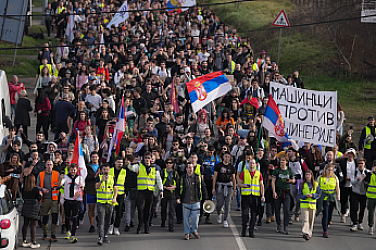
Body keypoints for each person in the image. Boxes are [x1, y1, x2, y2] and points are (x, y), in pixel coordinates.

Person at [127, 151, 163, 234]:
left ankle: (146, 225)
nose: (147, 159)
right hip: (141, 191)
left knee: (148, 210)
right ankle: (140, 225)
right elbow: (130, 167)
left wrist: (161, 190)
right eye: (146, 158)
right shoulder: (139, 166)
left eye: (148, 158)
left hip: (150, 191)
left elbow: (158, 180)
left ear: (151, 159)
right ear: (143, 158)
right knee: (140, 209)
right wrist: (133, 162)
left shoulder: (154, 168)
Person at [176, 161, 208, 240]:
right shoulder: (182, 178)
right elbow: (177, 189)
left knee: (195, 218)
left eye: (192, 168)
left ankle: (194, 230)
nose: (191, 169)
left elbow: (203, 187)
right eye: (189, 168)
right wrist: (178, 198)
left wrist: (205, 198)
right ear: (186, 169)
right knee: (186, 219)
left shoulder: (198, 178)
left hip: (196, 201)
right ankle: (187, 233)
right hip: (185, 201)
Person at [238, 158, 265, 237]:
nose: (252, 165)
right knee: (245, 214)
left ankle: (251, 232)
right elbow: (239, 184)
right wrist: (244, 185)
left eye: (253, 163)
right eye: (250, 163)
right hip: (246, 196)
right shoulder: (244, 173)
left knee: (254, 215)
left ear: (255, 165)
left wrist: (262, 195)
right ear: (248, 164)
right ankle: (243, 231)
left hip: (255, 197)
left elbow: (261, 185)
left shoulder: (258, 174)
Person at [37, 159, 61, 242]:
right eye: (48, 164)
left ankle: (53, 234)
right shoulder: (41, 174)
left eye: (50, 164)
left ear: (53, 165)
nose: (49, 166)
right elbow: (37, 186)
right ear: (45, 165)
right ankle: (45, 233)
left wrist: (57, 188)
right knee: (45, 217)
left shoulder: (56, 174)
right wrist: (42, 189)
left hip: (54, 199)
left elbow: (60, 185)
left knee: (54, 216)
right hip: (45, 198)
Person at [272, 155, 295, 234]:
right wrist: (274, 191)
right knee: (277, 209)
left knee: (286, 209)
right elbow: (273, 181)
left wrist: (290, 181)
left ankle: (286, 226)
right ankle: (279, 224)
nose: (282, 162)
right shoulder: (277, 170)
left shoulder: (289, 170)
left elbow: (294, 179)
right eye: (281, 160)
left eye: (283, 160)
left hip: (286, 192)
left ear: (286, 162)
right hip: (278, 191)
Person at [212, 151, 236, 228]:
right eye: (226, 156)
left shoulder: (231, 167)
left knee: (227, 204)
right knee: (219, 203)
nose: (227, 158)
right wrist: (213, 188)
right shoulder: (218, 166)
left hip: (229, 186)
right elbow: (215, 177)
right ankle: (219, 213)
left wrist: (235, 189)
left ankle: (225, 219)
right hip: (220, 186)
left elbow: (233, 178)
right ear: (223, 157)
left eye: (228, 157)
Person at [61, 163, 84, 243]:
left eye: (74, 170)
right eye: (71, 169)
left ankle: (73, 235)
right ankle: (68, 230)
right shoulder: (66, 177)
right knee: (67, 216)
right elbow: (62, 182)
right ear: (69, 170)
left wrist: (81, 187)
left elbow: (83, 187)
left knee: (75, 217)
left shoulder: (79, 178)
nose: (73, 171)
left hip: (75, 200)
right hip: (67, 200)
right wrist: (60, 182)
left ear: (76, 170)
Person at [96, 164, 118, 246]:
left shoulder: (112, 178)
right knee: (101, 220)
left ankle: (105, 235)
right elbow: (96, 187)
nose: (106, 171)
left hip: (109, 202)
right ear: (102, 170)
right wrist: (101, 181)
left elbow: (115, 189)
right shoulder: (98, 177)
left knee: (108, 221)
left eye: (107, 169)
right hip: (101, 202)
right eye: (104, 169)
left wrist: (114, 198)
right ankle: (100, 237)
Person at [316, 164, 341, 238]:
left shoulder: (335, 178)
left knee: (330, 214)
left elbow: (337, 187)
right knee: (325, 214)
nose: (330, 171)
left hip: (332, 198)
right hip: (324, 198)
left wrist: (338, 195)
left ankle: (327, 223)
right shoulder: (320, 177)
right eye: (328, 170)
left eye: (331, 170)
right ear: (325, 170)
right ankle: (325, 231)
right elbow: (317, 187)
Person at [299, 170, 321, 240]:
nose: (307, 176)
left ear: (311, 176)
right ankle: (305, 232)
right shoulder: (302, 184)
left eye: (309, 175)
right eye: (306, 175)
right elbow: (299, 195)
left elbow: (319, 194)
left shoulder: (316, 184)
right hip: (304, 205)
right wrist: (305, 196)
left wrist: (313, 196)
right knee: (305, 220)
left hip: (312, 205)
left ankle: (309, 233)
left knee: (311, 220)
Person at [21, 175, 41, 249]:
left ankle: (24, 240)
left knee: (25, 224)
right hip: (34, 208)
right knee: (33, 225)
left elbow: (23, 197)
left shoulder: (24, 189)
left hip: (26, 207)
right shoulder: (35, 189)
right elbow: (38, 198)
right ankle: (33, 241)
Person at [108, 157, 126, 236]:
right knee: (110, 211)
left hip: (121, 194)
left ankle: (116, 227)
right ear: (115, 162)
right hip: (110, 193)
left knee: (119, 212)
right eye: (118, 162)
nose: (120, 164)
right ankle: (110, 226)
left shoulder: (125, 171)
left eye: (121, 162)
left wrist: (126, 192)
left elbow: (127, 182)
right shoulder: (110, 170)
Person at [349, 158, 369, 232]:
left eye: (362, 163)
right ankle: (354, 223)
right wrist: (356, 180)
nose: (360, 165)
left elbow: (369, 183)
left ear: (364, 164)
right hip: (355, 192)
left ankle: (360, 222)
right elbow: (352, 182)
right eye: (359, 163)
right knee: (354, 208)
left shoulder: (367, 172)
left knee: (362, 208)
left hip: (363, 193)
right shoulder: (354, 171)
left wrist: (365, 179)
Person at [339, 148, 358, 223]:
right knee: (343, 201)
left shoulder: (356, 162)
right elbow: (340, 171)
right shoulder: (343, 162)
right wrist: (344, 178)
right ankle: (343, 214)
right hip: (344, 184)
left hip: (354, 185)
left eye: (352, 154)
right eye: (349, 154)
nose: (350, 155)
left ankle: (353, 219)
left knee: (353, 202)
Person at [160, 158, 178, 232]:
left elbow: (178, 183)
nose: (168, 164)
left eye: (170, 163)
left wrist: (174, 187)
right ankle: (163, 221)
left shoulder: (175, 173)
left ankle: (171, 226)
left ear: (172, 164)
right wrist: (165, 188)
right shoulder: (163, 172)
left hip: (172, 193)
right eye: (167, 163)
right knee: (163, 208)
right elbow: (159, 182)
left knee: (171, 210)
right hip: (164, 192)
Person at [365, 160, 376, 235]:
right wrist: (371, 172)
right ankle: (371, 226)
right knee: (371, 212)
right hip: (371, 196)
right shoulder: (370, 174)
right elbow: (366, 181)